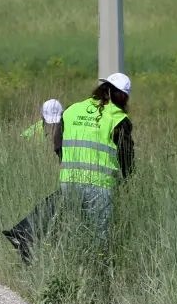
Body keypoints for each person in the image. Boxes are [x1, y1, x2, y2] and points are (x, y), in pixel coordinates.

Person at [57, 72, 135, 234]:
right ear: (122, 96)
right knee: (99, 237)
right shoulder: (118, 118)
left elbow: (57, 142)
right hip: (99, 185)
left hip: (68, 182)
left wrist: (66, 163)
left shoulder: (72, 110)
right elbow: (126, 154)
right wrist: (129, 179)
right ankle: (99, 261)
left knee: (75, 232)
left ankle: (73, 260)